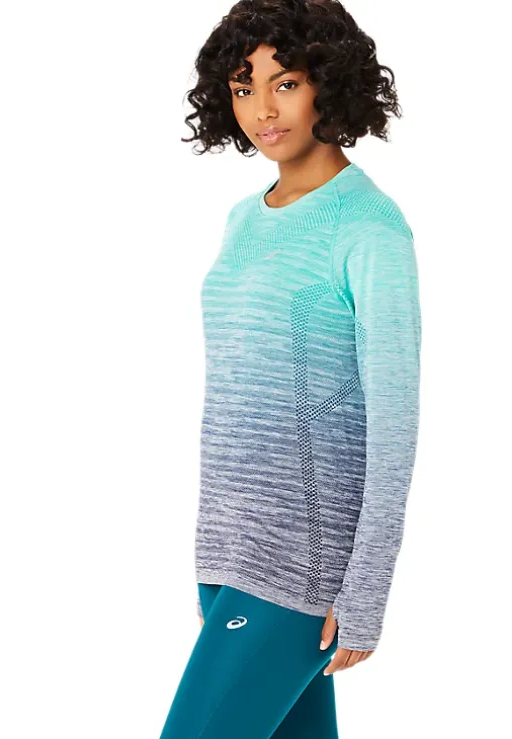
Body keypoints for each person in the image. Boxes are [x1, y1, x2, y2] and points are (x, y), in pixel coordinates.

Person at [161, 1, 421, 736]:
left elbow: (396, 420)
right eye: (244, 88)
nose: (263, 110)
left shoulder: (369, 229)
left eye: (285, 83)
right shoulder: (245, 217)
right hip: (228, 550)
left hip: (302, 563)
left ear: (328, 84)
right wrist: (213, 553)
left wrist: (367, 586)